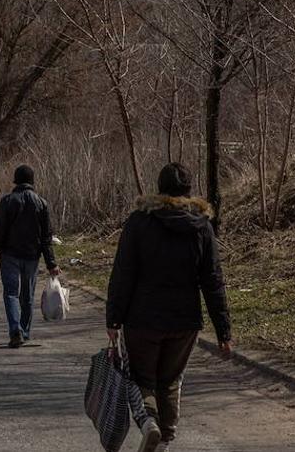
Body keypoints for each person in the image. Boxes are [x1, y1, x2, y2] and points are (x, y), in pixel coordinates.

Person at [106, 162, 234, 452]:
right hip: (184, 321)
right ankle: (165, 441)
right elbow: (213, 281)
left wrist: (113, 320)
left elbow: (123, 274)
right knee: (170, 380)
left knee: (143, 379)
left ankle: (149, 423)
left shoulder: (139, 221)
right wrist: (223, 332)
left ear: (159, 187)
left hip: (142, 319)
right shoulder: (201, 227)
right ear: (188, 190)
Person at [0, 164, 59, 348]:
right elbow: (46, 238)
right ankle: (25, 330)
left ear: (15, 180)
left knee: (11, 294)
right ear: (32, 181)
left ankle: (15, 330)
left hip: (10, 256)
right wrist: (51, 264)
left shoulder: (7, 202)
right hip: (32, 257)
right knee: (27, 296)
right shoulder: (41, 203)